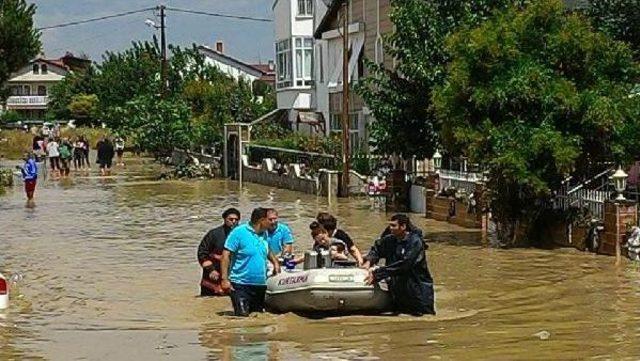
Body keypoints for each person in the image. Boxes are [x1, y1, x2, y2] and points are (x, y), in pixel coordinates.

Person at [363, 214, 435, 316]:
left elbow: (405, 264)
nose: (390, 228)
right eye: (390, 225)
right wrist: (369, 261)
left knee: (424, 321)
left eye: (393, 226)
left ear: (403, 227)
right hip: (399, 291)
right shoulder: (390, 240)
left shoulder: (415, 242)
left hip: (417, 291)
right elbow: (377, 249)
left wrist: (378, 274)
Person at [220, 207, 281, 317]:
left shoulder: (264, 234)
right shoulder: (238, 232)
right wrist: (224, 279)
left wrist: (275, 262)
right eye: (269, 220)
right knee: (243, 318)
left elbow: (267, 249)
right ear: (261, 220)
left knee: (257, 316)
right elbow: (225, 255)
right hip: (240, 284)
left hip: (260, 284)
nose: (273, 222)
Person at [197, 208, 241, 296]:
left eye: (236, 219)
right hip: (213, 275)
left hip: (233, 275)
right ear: (224, 219)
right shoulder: (214, 234)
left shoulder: (241, 235)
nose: (233, 221)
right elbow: (202, 253)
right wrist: (210, 270)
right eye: (230, 219)